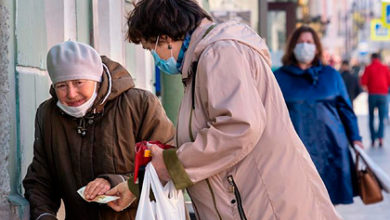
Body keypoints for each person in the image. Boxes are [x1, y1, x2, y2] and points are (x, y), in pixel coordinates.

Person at [106, 1, 341, 219]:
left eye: (150, 48)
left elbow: (238, 127)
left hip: (266, 205)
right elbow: (206, 137)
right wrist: (136, 185)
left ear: (165, 37)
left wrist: (170, 164)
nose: (155, 57)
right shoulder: (204, 61)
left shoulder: (220, 53)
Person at [23, 41, 175, 220]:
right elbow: (41, 178)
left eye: (78, 82)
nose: (71, 93)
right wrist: (44, 215)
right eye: (61, 86)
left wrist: (117, 182)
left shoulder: (140, 104)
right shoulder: (48, 115)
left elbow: (170, 163)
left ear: (97, 79)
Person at [273, 26, 363, 205]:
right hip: (295, 151)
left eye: (309, 42)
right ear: (292, 47)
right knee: (298, 204)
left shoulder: (331, 75)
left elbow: (345, 109)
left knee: (328, 203)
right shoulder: (278, 78)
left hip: (331, 148)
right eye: (300, 42)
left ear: (316, 48)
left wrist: (356, 138)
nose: (305, 46)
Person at [360, 53, 390, 147]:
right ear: (379, 58)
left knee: (371, 117)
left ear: (372, 58)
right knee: (382, 118)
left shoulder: (368, 68)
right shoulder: (385, 67)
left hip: (372, 95)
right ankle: (380, 138)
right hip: (383, 95)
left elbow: (363, 82)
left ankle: (373, 139)